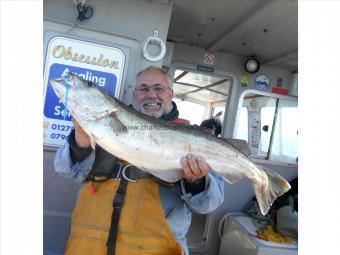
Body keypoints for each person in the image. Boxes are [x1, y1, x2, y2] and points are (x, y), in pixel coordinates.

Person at [54, 66, 224, 255]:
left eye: (158, 88)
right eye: (143, 88)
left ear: (170, 94)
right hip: (87, 245)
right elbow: (65, 171)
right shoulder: (102, 124)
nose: (151, 94)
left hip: (155, 249)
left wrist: (196, 181)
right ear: (134, 94)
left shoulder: (194, 138)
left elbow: (209, 204)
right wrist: (81, 142)